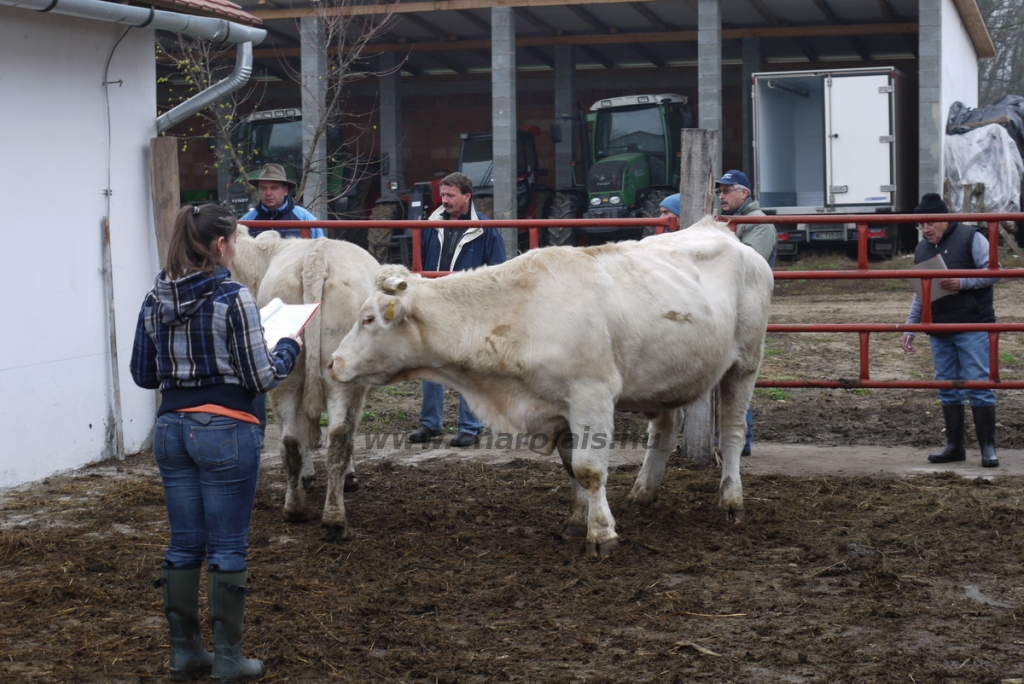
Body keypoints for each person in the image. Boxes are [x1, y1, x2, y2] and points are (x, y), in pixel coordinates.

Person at [130, 204, 303, 681]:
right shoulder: (233, 296)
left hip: (171, 430)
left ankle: (185, 651)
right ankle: (229, 657)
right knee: (228, 546)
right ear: (222, 245)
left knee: (185, 543)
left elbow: (144, 375)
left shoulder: (154, 297)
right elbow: (260, 375)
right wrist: (288, 344)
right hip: (226, 429)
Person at [900, 192, 1001, 468]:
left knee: (979, 383)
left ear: (946, 219)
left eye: (931, 222)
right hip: (939, 327)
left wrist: (963, 282)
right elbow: (921, 292)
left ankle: (988, 448)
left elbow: (995, 270)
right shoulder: (922, 250)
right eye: (922, 224)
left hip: (972, 323)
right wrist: (912, 325)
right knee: (946, 385)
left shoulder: (971, 237)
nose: (926, 229)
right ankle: (955, 446)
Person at [408, 172, 507, 448]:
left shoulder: (485, 228)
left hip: (468, 306)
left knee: (468, 366)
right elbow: (419, 260)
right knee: (429, 363)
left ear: (467, 196)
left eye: (451, 195)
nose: (445, 200)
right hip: (434, 301)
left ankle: (470, 427)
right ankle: (430, 424)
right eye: (443, 195)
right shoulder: (430, 225)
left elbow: (498, 269)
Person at [716, 169, 779, 457]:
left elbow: (750, 263)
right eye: (720, 191)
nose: (721, 195)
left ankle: (743, 442)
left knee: (739, 370)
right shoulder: (728, 223)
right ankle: (730, 440)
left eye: (727, 190)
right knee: (725, 370)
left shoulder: (758, 224)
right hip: (728, 305)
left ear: (744, 193)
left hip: (746, 307)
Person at [240, 163, 324, 239]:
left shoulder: (305, 218)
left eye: (274, 188)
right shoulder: (246, 221)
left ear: (285, 191)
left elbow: (321, 249)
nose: (268, 193)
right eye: (263, 188)